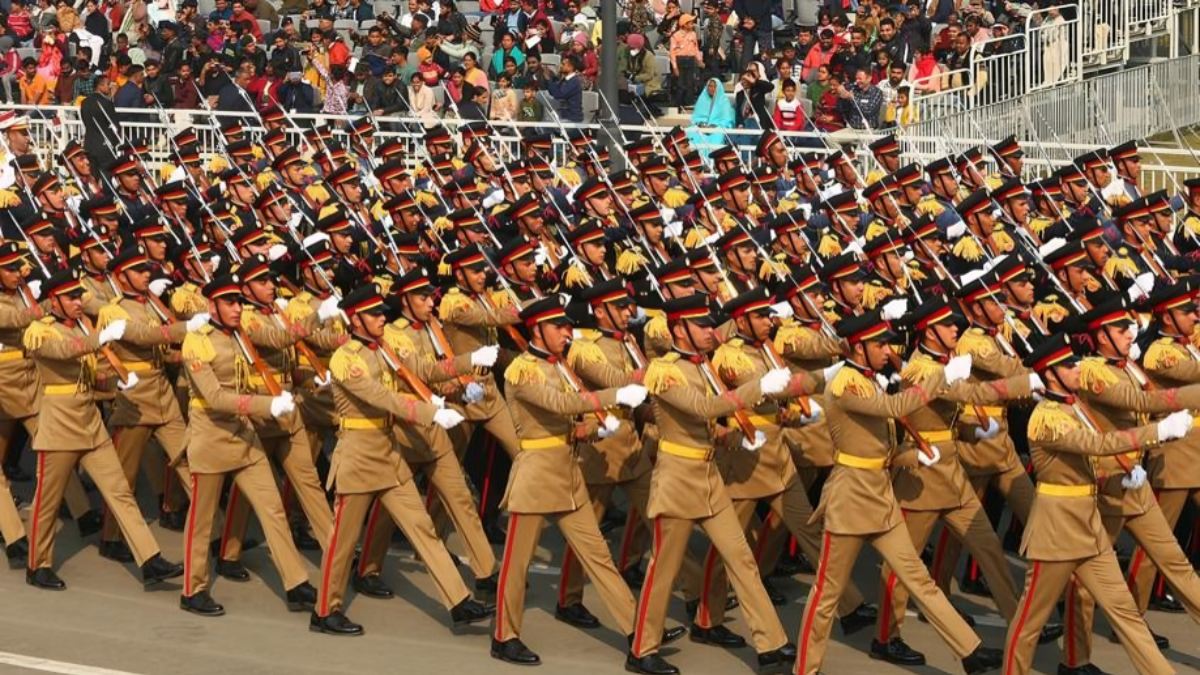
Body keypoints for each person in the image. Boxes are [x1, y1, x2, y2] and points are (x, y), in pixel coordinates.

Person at [24, 268, 185, 591]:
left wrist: (118, 382)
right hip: (60, 427)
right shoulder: (39, 331)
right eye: (70, 297)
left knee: (120, 492)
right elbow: (63, 353)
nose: (77, 303)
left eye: (78, 296)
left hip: (91, 425)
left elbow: (93, 376)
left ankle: (149, 559)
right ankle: (37, 564)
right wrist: (101, 337)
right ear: (53, 300)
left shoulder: (84, 326)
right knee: (48, 501)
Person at [79, 73, 119, 173]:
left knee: (92, 176)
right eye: (108, 84)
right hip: (105, 146)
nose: (110, 87)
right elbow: (114, 125)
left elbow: (85, 121)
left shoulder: (85, 102)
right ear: (99, 86)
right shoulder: (107, 103)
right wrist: (115, 142)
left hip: (89, 145)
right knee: (108, 176)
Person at [686, 77, 734, 155]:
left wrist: (713, 126)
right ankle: (694, 159)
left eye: (714, 86)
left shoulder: (724, 102)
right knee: (690, 132)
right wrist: (701, 124)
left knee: (718, 136)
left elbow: (728, 120)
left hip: (717, 128)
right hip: (702, 127)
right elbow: (695, 118)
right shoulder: (702, 99)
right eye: (710, 86)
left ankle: (711, 161)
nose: (712, 88)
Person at [669, 12, 701, 109]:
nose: (692, 25)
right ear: (684, 24)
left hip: (690, 60)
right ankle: (679, 104)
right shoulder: (676, 36)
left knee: (690, 82)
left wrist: (699, 60)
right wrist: (674, 67)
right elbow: (672, 52)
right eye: (690, 23)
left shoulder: (693, 34)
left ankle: (688, 103)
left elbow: (696, 48)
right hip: (680, 60)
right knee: (680, 83)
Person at [546, 54, 583, 123]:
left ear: (570, 67)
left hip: (572, 118)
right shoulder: (565, 80)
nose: (561, 66)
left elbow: (558, 94)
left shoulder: (574, 81)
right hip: (564, 116)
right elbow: (552, 92)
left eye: (563, 64)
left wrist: (548, 79)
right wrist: (552, 78)